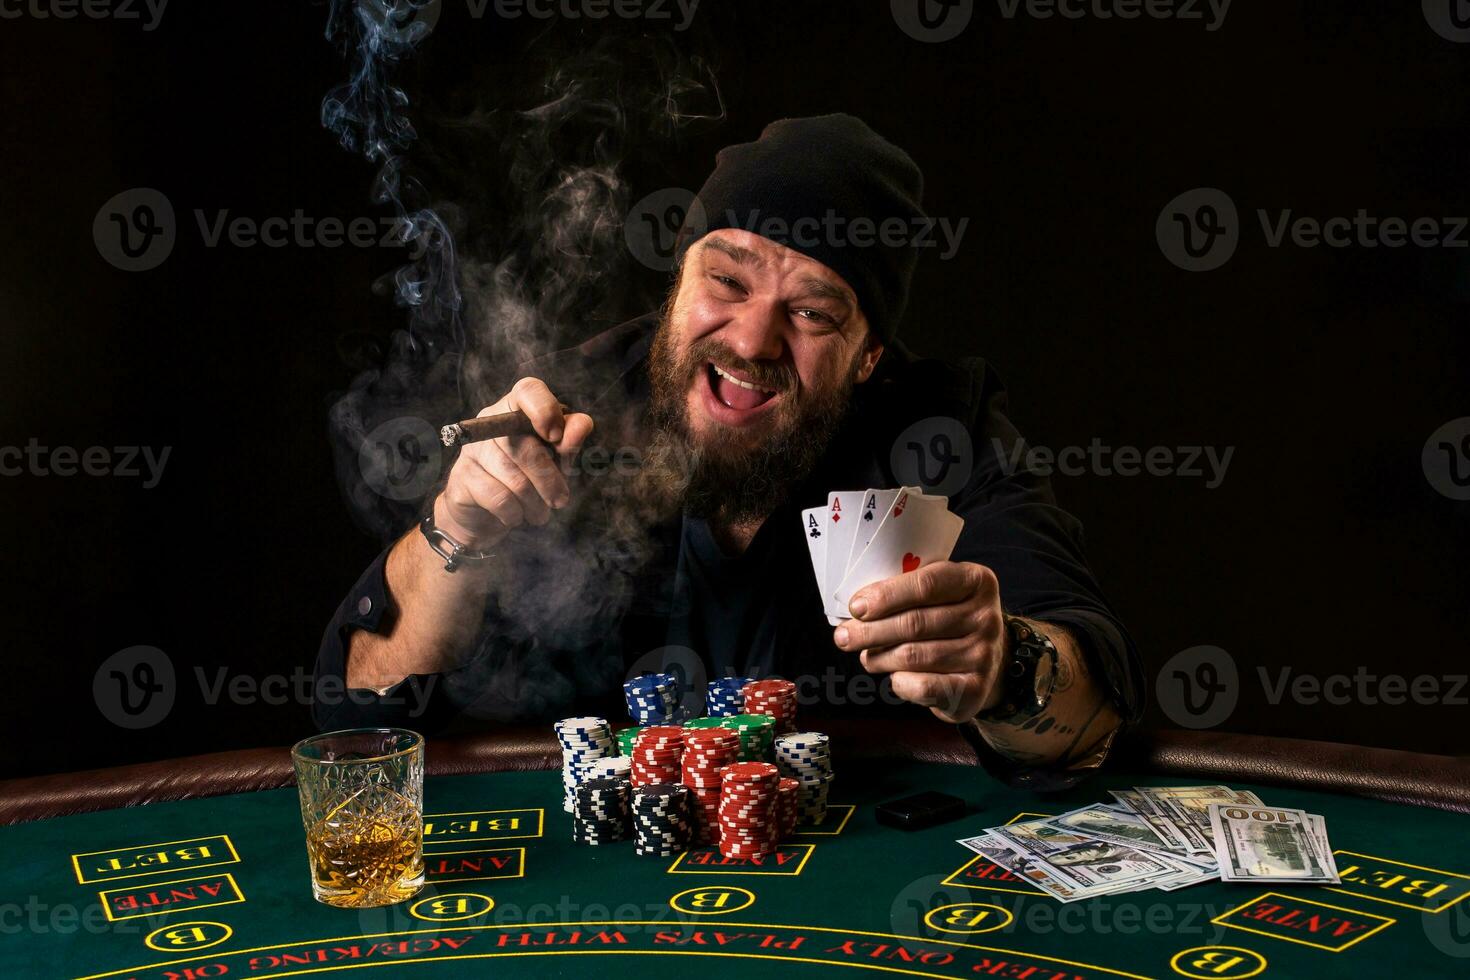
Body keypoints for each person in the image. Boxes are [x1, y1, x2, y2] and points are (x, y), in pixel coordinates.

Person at [313, 114, 1142, 789]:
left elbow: (1095, 709)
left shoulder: (939, 436)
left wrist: (1006, 665)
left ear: (869, 356)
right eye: (728, 281)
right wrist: (458, 528)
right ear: (678, 281)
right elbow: (359, 723)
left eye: (813, 313)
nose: (752, 338)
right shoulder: (570, 411)